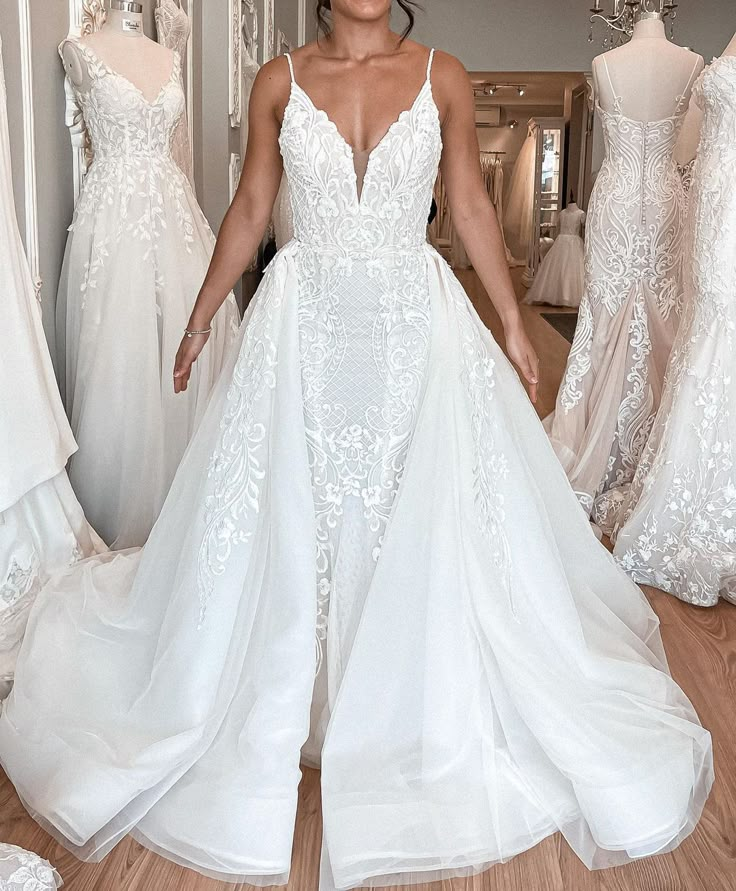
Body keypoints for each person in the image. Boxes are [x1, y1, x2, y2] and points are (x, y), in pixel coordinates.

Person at [0, 2, 712, 889]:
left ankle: (403, 683)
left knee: (413, 499)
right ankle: (293, 689)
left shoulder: (442, 74)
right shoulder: (280, 79)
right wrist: (198, 319)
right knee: (299, 502)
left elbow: (467, 205)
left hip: (416, 324)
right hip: (305, 326)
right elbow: (252, 206)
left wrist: (514, 326)